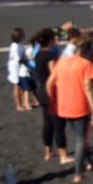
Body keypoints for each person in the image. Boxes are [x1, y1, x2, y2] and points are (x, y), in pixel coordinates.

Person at [47, 36, 93, 183]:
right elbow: (89, 88)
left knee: (80, 137)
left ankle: (90, 162)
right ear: (87, 49)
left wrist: (51, 101)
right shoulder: (86, 64)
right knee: (81, 139)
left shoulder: (62, 61)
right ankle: (78, 172)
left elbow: (50, 82)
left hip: (64, 106)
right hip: (80, 106)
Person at [32, 28, 69, 164]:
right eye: (54, 39)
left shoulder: (38, 54)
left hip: (40, 90)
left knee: (47, 123)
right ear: (50, 40)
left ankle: (48, 152)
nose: (56, 41)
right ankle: (63, 155)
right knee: (59, 124)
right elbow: (55, 75)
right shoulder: (50, 56)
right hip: (51, 91)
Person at [7, 28, 31, 111]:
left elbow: (23, 54)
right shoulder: (14, 46)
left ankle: (23, 102)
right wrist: (27, 62)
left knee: (21, 85)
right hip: (15, 67)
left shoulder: (20, 44)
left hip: (19, 66)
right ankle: (18, 104)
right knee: (17, 85)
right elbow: (18, 59)